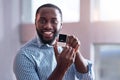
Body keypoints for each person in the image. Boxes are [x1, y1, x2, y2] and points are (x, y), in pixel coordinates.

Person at [13, 3, 94, 80]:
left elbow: (88, 78)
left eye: (54, 21)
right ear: (35, 23)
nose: (48, 26)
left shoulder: (65, 44)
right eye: (42, 21)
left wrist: (76, 51)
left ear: (61, 25)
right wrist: (61, 68)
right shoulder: (24, 55)